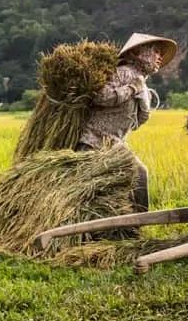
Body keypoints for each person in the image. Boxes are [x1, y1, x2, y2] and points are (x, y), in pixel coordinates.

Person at [76, 33, 177, 213]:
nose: (159, 57)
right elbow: (101, 97)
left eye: (161, 54)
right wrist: (131, 89)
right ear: (138, 52)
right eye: (155, 51)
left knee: (139, 175)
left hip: (115, 144)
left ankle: (134, 224)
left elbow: (137, 121)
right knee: (115, 184)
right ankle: (135, 223)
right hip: (95, 142)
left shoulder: (141, 81)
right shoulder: (122, 73)